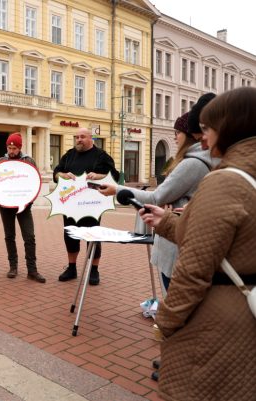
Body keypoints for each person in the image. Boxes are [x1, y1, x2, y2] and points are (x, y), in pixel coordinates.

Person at [140, 87, 256, 401]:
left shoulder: (225, 181)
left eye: (207, 129)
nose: (201, 139)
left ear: (230, 128)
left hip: (217, 318)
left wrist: (165, 322)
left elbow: (194, 269)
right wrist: (165, 222)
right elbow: (225, 240)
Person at [98, 108, 219, 294]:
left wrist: (117, 189)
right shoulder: (203, 160)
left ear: (189, 135)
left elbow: (156, 197)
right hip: (182, 241)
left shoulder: (192, 164)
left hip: (176, 247)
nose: (175, 138)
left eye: (177, 133)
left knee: (174, 302)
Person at [53, 127, 120, 285]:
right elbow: (56, 172)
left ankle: (94, 270)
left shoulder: (101, 156)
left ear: (91, 138)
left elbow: (115, 175)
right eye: (76, 137)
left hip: (92, 205)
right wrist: (62, 175)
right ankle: (72, 268)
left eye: (82, 137)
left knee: (93, 236)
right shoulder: (69, 155)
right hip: (70, 204)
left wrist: (99, 176)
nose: (79, 140)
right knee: (70, 236)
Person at [0, 132, 46, 283]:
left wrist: (29, 200)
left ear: (20, 148)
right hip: (5, 206)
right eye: (9, 148)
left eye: (14, 148)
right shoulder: (0, 161)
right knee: (9, 236)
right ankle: (13, 267)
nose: (11, 151)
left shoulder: (28, 161)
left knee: (29, 236)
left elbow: (35, 181)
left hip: (23, 206)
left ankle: (32, 269)